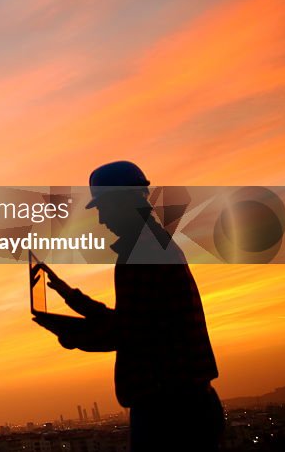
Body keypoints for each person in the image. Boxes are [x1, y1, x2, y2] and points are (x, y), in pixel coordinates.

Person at [33, 161, 223, 451]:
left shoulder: (142, 253)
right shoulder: (153, 246)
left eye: (103, 208)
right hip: (185, 405)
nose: (102, 220)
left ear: (122, 202)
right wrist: (69, 295)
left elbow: (125, 334)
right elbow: (131, 322)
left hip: (170, 412)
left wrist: (69, 334)